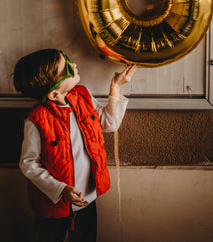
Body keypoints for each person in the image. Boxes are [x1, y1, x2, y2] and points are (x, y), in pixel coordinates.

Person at [13, 48, 137, 242]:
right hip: (52, 206)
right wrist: (60, 189)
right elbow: (29, 164)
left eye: (69, 61)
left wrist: (116, 87)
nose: (75, 65)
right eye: (68, 70)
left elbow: (109, 123)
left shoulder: (83, 96)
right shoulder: (36, 120)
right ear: (54, 94)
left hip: (87, 199)